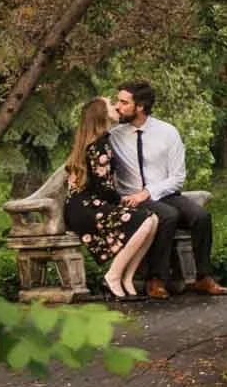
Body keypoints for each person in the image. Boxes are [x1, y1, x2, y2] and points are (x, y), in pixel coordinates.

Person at [105, 79, 227, 297]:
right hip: (131, 198)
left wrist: (149, 192)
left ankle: (203, 278)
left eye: (124, 102)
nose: (118, 106)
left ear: (140, 106)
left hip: (164, 194)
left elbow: (178, 177)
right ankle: (156, 279)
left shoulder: (168, 132)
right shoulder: (114, 136)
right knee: (168, 216)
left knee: (201, 217)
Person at [61, 97, 161, 299]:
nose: (116, 107)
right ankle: (112, 276)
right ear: (101, 114)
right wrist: (121, 200)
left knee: (153, 219)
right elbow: (102, 186)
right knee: (145, 221)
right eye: (110, 105)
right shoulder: (98, 145)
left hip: (89, 204)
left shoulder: (100, 141)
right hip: (85, 208)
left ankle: (126, 278)